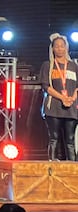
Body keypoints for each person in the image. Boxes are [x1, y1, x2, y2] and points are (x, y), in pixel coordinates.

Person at [39, 33, 78, 161]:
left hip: (71, 108)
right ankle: (52, 166)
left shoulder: (74, 66)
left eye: (62, 46)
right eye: (57, 46)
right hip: (54, 108)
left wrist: (72, 98)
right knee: (54, 138)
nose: (60, 48)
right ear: (52, 48)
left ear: (66, 48)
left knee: (70, 140)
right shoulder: (48, 65)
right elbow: (46, 86)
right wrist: (62, 98)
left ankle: (72, 168)